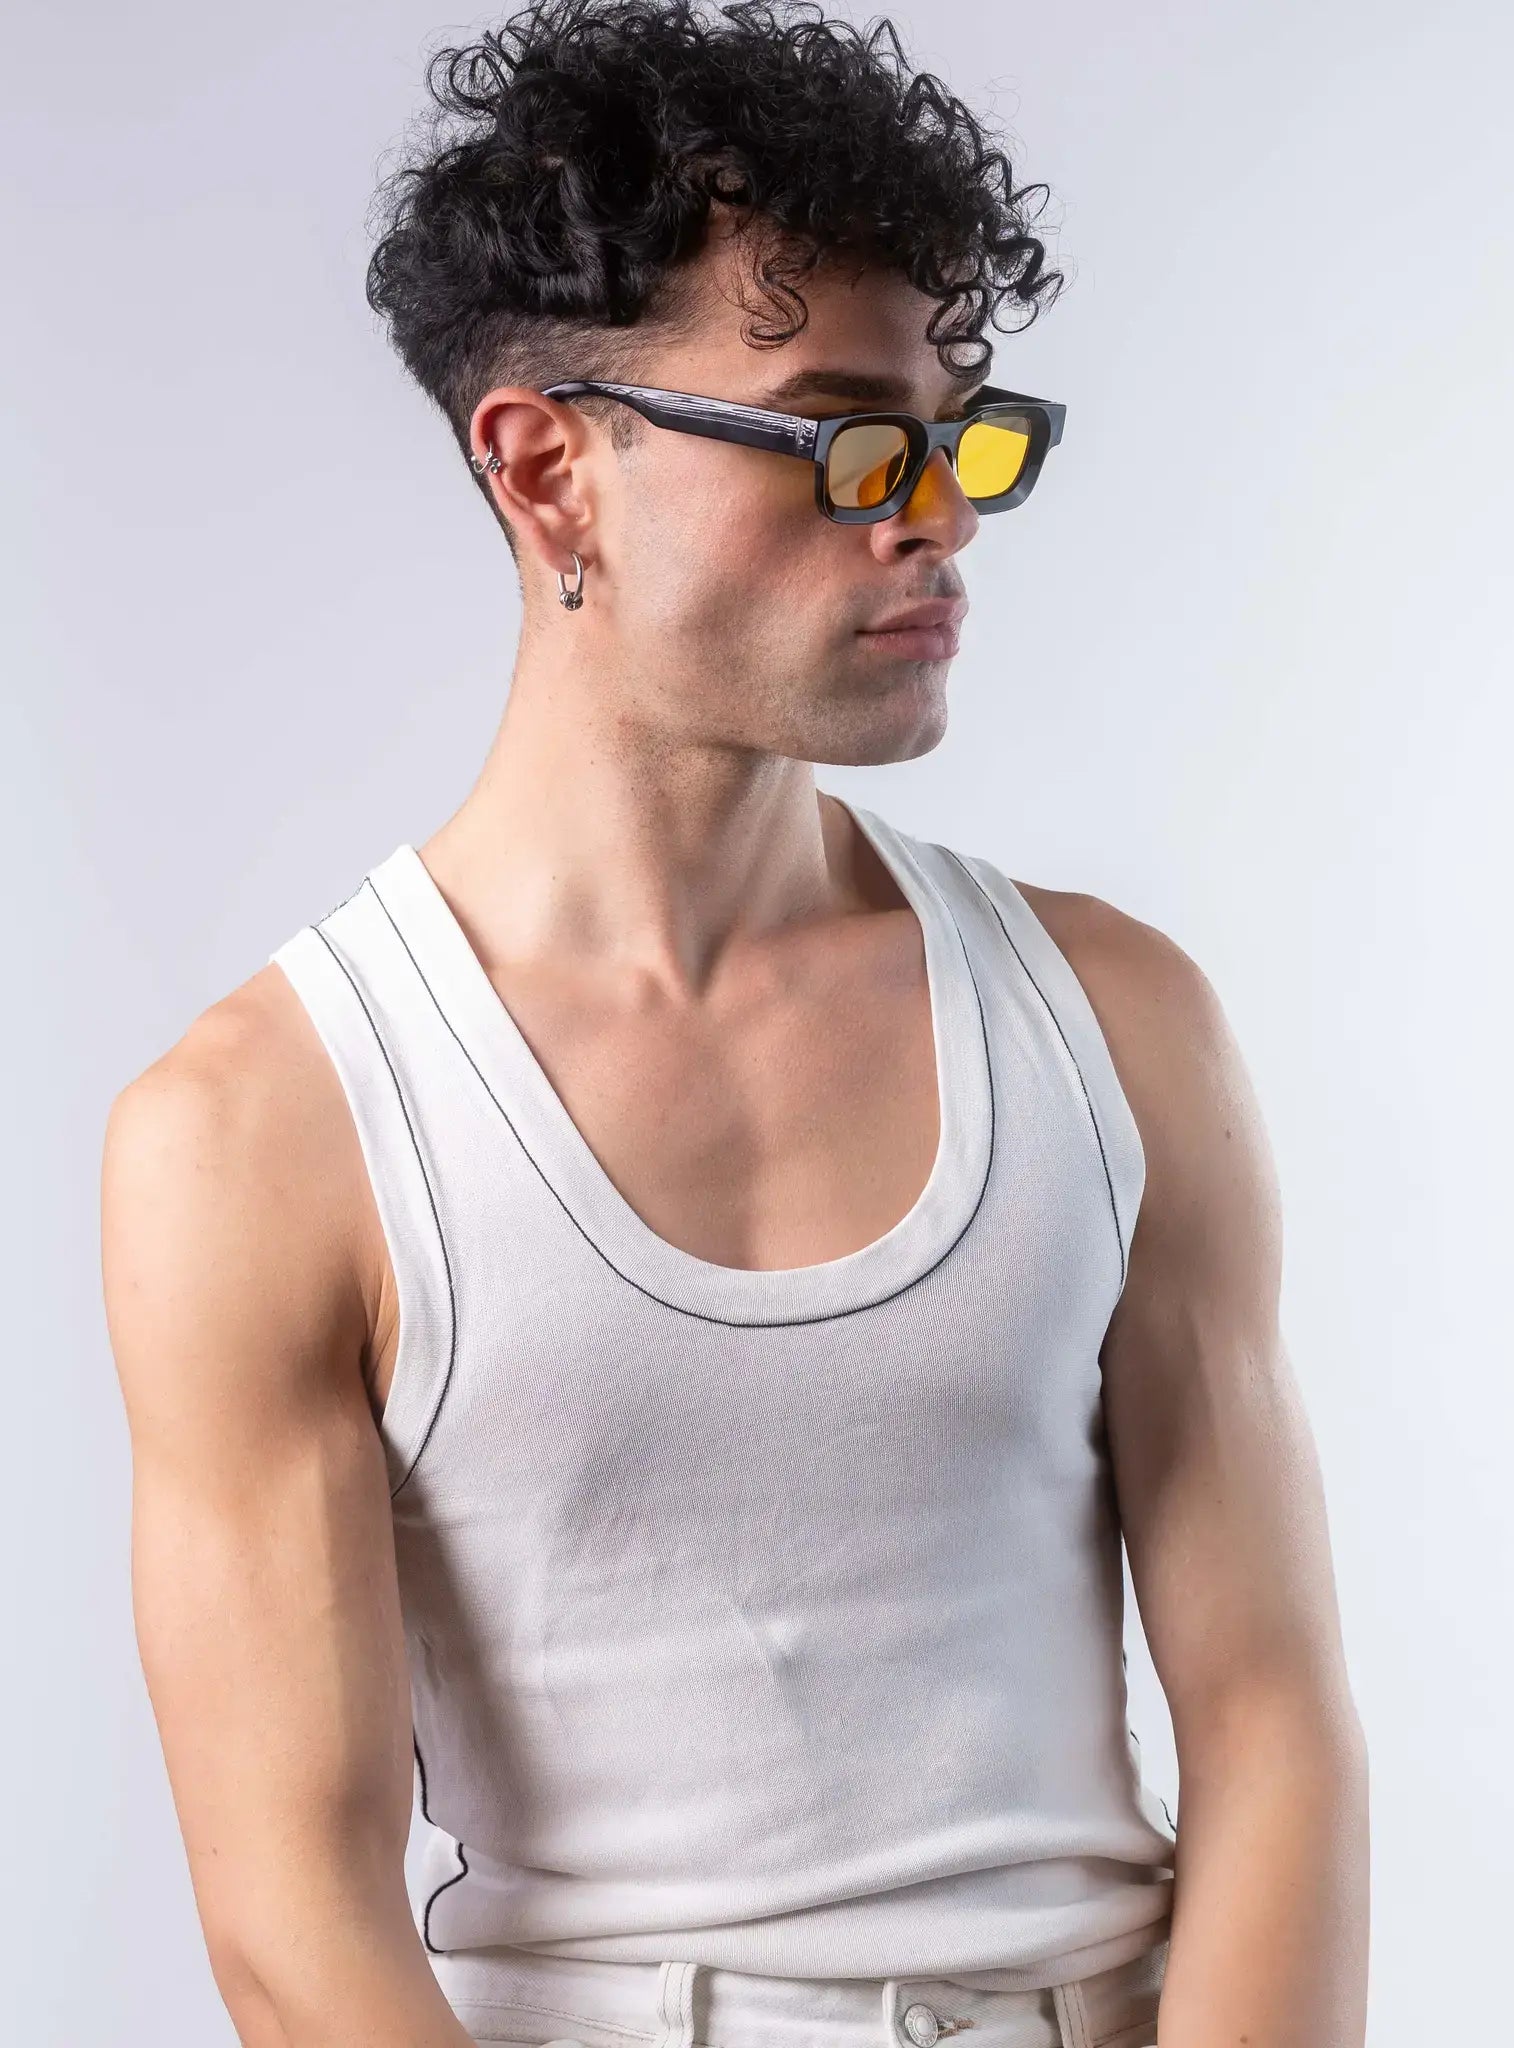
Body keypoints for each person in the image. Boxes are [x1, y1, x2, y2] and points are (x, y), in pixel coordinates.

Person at [98, 2, 1370, 2042]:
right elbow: (292, 1917)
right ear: (546, 470)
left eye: (960, 432)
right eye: (846, 437)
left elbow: (1276, 1724)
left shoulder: (1116, 1025)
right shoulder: (264, 1128)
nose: (936, 513)